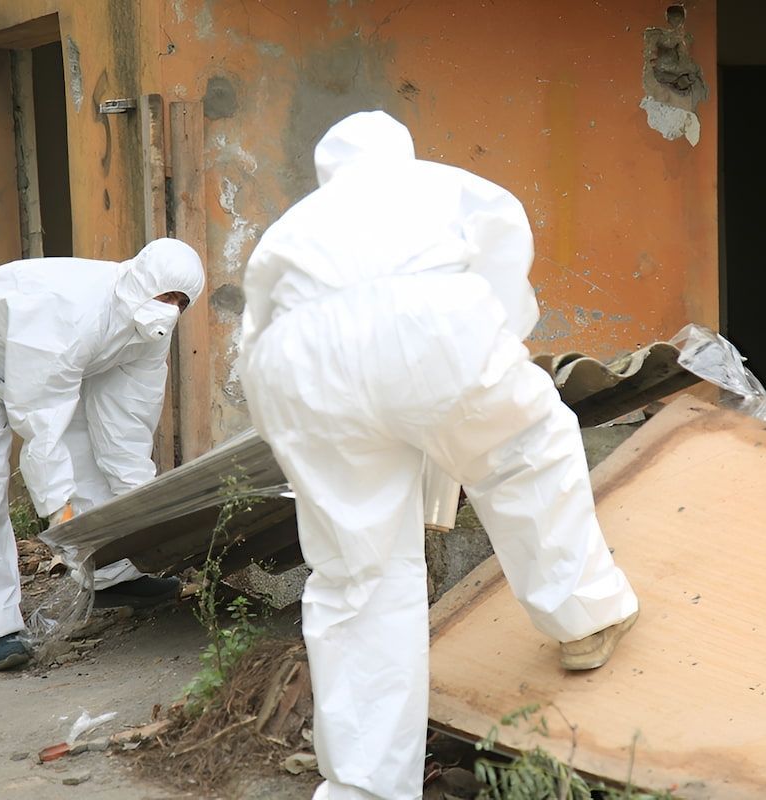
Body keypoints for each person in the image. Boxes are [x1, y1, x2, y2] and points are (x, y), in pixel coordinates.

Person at [239, 111, 640, 799]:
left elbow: (255, 330)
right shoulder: (443, 185)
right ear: (402, 151)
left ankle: (363, 788)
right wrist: (483, 368)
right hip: (427, 319)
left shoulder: (294, 224)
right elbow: (505, 259)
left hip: (297, 361)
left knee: (355, 571)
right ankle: (585, 616)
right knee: (525, 450)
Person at [0, 238, 205, 672]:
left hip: (37, 368)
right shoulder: (73, 310)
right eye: (165, 296)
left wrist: (149, 520)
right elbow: (41, 418)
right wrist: (59, 511)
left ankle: (111, 574)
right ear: (142, 282)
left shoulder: (148, 333)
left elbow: (127, 427)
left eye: (181, 302)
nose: (170, 308)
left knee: (87, 445)